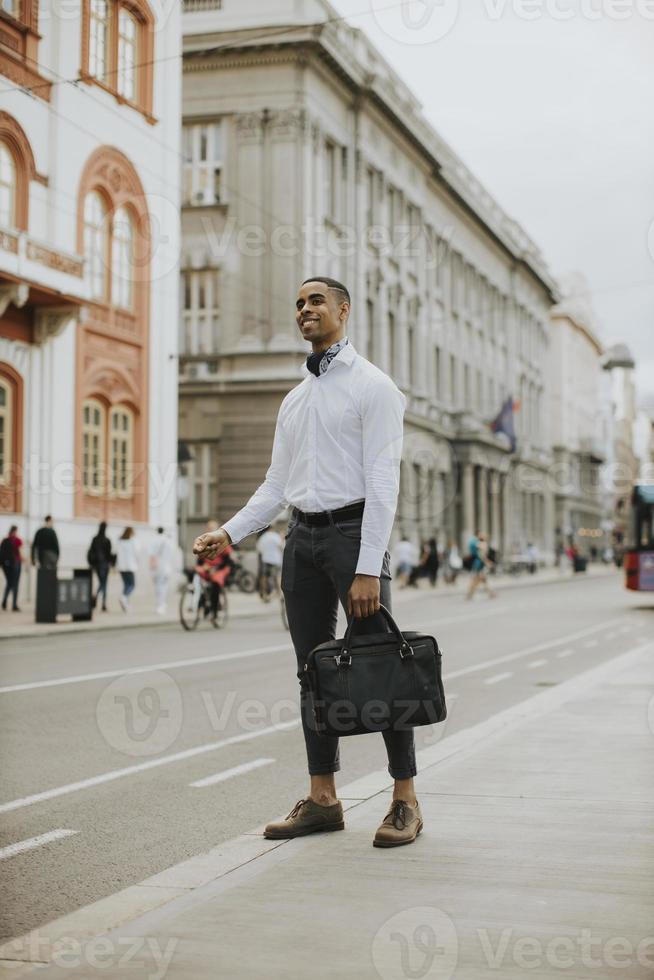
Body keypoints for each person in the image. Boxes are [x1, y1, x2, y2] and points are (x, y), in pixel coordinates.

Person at [193, 276, 421, 848]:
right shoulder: (295, 398)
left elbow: (382, 481)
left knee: (379, 666)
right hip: (303, 541)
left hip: (353, 536)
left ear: (343, 310)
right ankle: (323, 800)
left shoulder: (374, 387)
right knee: (314, 672)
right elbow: (277, 485)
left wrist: (369, 565)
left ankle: (405, 801)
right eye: (298, 303)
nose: (305, 310)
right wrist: (230, 531)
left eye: (316, 301)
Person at [87, 522, 114, 611]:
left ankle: (99, 600)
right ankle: (101, 601)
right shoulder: (107, 540)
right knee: (104, 583)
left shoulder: (95, 539)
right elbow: (109, 554)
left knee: (102, 583)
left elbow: (91, 551)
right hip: (104, 564)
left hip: (97, 565)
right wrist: (111, 563)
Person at [466, 530, 497, 600]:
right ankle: (469, 594)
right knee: (477, 579)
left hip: (478, 563)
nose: (485, 536)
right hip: (479, 563)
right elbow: (481, 555)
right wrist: (487, 562)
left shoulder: (475, 542)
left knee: (481, 579)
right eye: (482, 534)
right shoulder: (480, 543)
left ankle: (490, 593)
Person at [149, 527, 173, 615]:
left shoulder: (154, 540)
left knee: (158, 587)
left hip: (157, 567)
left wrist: (151, 566)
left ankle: (160, 605)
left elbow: (152, 555)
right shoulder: (168, 540)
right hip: (166, 567)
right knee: (164, 586)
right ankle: (162, 604)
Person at [256, 525, 284, 599]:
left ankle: (264, 594)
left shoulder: (263, 537)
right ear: (272, 529)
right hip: (276, 560)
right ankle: (279, 593)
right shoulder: (276, 536)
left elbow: (259, 549)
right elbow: (281, 546)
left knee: (264, 577)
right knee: (277, 577)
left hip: (266, 559)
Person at [1, 525, 23, 611]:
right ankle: (14, 604)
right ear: (15, 531)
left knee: (9, 583)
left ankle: (4, 601)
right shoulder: (17, 540)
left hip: (6, 566)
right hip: (16, 564)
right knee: (15, 584)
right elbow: (20, 553)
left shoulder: (5, 540)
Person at [116, 527, 138, 612]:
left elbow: (116, 553)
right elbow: (136, 553)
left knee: (126, 585)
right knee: (132, 585)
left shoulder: (120, 541)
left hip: (121, 567)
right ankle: (124, 598)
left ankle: (126, 604)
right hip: (130, 566)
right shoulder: (132, 541)